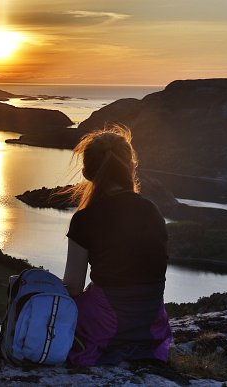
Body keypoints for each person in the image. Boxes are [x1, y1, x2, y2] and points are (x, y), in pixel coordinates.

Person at [62, 125, 172, 366]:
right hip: (151, 325)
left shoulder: (84, 219)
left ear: (86, 172)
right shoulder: (151, 211)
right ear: (131, 168)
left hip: (106, 326)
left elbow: (72, 287)